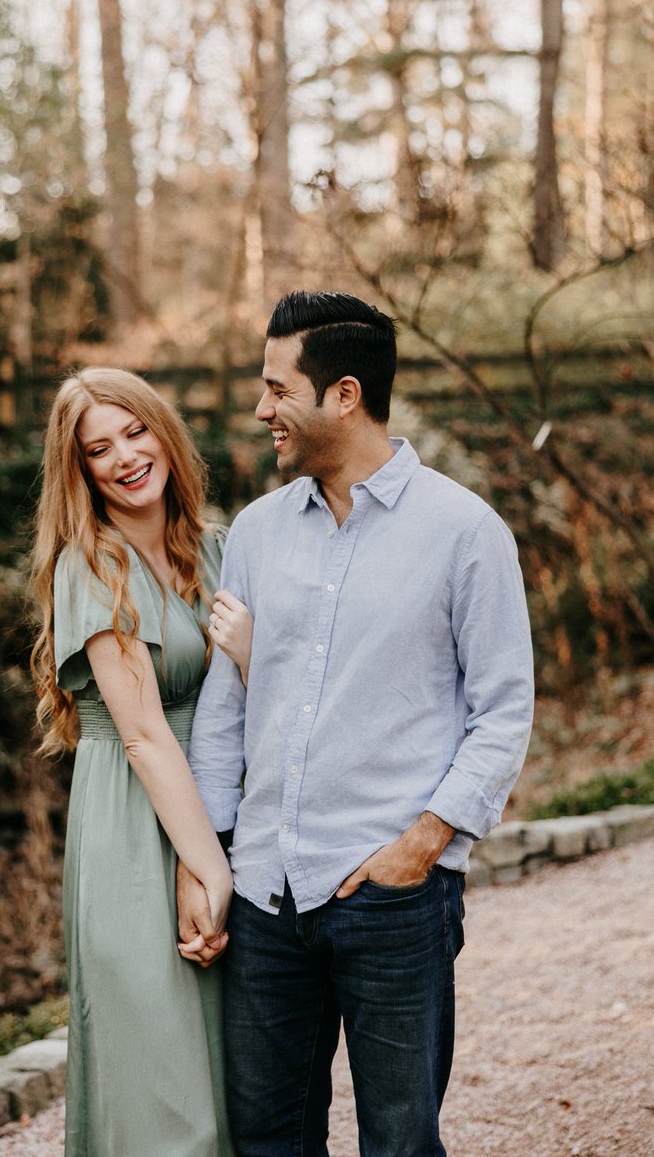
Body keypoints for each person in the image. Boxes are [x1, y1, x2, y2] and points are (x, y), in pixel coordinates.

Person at [181, 291, 535, 1157]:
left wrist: (423, 843)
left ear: (343, 395)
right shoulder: (257, 534)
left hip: (392, 900)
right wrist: (212, 860)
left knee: (401, 1141)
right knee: (269, 1139)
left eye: (276, 388)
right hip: (265, 894)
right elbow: (226, 713)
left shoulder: (465, 534)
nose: (261, 409)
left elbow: (503, 711)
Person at [30, 367, 251, 1157]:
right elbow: (144, 736)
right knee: (162, 1079)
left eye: (135, 431)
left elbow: (268, 699)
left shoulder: (220, 550)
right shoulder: (90, 566)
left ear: (165, 433)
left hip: (219, 808)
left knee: (235, 1078)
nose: (125, 456)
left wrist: (254, 657)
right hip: (134, 823)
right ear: (79, 470)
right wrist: (206, 868)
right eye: (99, 448)